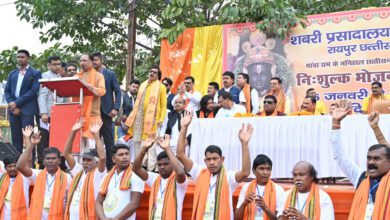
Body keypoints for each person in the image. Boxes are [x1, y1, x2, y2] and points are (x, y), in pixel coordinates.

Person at [176, 111, 252, 220]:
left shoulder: (229, 177)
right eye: (209, 159)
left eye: (215, 159)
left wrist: (244, 144)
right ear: (205, 161)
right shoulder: (199, 172)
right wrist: (184, 128)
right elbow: (180, 154)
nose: (212, 162)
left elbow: (245, 172)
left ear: (222, 160)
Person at [331, 101, 390, 219]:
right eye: (369, 158)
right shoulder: (361, 177)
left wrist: (375, 128)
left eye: (377, 159)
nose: (371, 162)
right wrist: (335, 123)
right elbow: (340, 156)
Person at [16, 126, 71, 219]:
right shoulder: (37, 175)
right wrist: (31, 145)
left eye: (53, 158)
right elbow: (20, 166)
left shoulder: (67, 177)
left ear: (59, 161)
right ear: (44, 161)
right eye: (48, 159)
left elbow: (69, 201)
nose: (50, 161)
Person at [132, 134, 188, 220]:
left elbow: (180, 172)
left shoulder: (178, 181)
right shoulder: (155, 179)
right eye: (159, 164)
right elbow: (136, 169)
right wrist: (143, 149)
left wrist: (167, 148)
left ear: (172, 164)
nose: (162, 167)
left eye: (165, 164)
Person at [63, 118, 107, 220]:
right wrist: (73, 132)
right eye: (84, 160)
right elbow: (66, 153)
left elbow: (103, 157)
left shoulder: (99, 173)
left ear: (96, 162)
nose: (85, 162)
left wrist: (96, 136)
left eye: (89, 160)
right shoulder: (79, 171)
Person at [124, 65, 166, 157]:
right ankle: (138, 161)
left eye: (154, 72)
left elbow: (163, 105)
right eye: (151, 71)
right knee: (136, 140)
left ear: (158, 76)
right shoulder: (143, 85)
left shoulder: (161, 87)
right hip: (139, 117)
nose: (152, 73)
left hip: (153, 118)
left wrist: (161, 119)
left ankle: (148, 166)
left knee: (149, 142)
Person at [4, 49, 41, 154]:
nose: (20, 59)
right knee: (16, 139)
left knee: (29, 138)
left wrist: (17, 103)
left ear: (28, 58)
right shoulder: (12, 73)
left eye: (22, 57)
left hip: (27, 109)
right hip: (13, 109)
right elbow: (7, 91)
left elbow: (33, 91)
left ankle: (30, 164)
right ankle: (16, 163)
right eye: (18, 57)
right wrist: (13, 105)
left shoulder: (35, 73)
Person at [95, 144, 144, 220]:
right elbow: (98, 202)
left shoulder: (136, 175)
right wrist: (103, 218)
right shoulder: (107, 177)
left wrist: (116, 219)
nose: (125, 157)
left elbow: (135, 203)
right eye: (121, 155)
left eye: (127, 154)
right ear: (113, 159)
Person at [93, 52, 121, 170]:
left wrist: (115, 108)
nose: (94, 62)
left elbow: (118, 92)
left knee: (109, 141)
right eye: (92, 60)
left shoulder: (110, 74)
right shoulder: (90, 75)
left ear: (101, 60)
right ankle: (96, 168)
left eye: (96, 60)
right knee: (94, 140)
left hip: (106, 112)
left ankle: (111, 167)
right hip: (92, 112)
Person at [235, 154, 285, 220]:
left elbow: (279, 218)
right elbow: (236, 218)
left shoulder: (278, 190)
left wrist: (265, 208)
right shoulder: (246, 187)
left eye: (268, 169)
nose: (265, 172)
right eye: (261, 169)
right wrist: (244, 203)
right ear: (254, 171)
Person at [37, 55, 65, 169]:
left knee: (57, 140)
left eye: (59, 64)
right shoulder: (45, 75)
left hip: (58, 114)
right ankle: (42, 165)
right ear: (49, 65)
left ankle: (58, 165)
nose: (57, 66)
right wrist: (43, 112)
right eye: (54, 64)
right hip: (47, 115)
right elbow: (42, 96)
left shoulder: (60, 75)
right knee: (44, 141)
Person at [76, 53, 106, 150]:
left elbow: (102, 91)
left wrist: (92, 88)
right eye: (80, 61)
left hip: (93, 115)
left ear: (91, 62)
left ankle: (93, 165)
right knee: (78, 146)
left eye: (84, 61)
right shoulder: (76, 77)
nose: (82, 63)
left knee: (91, 147)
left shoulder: (98, 76)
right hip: (79, 115)